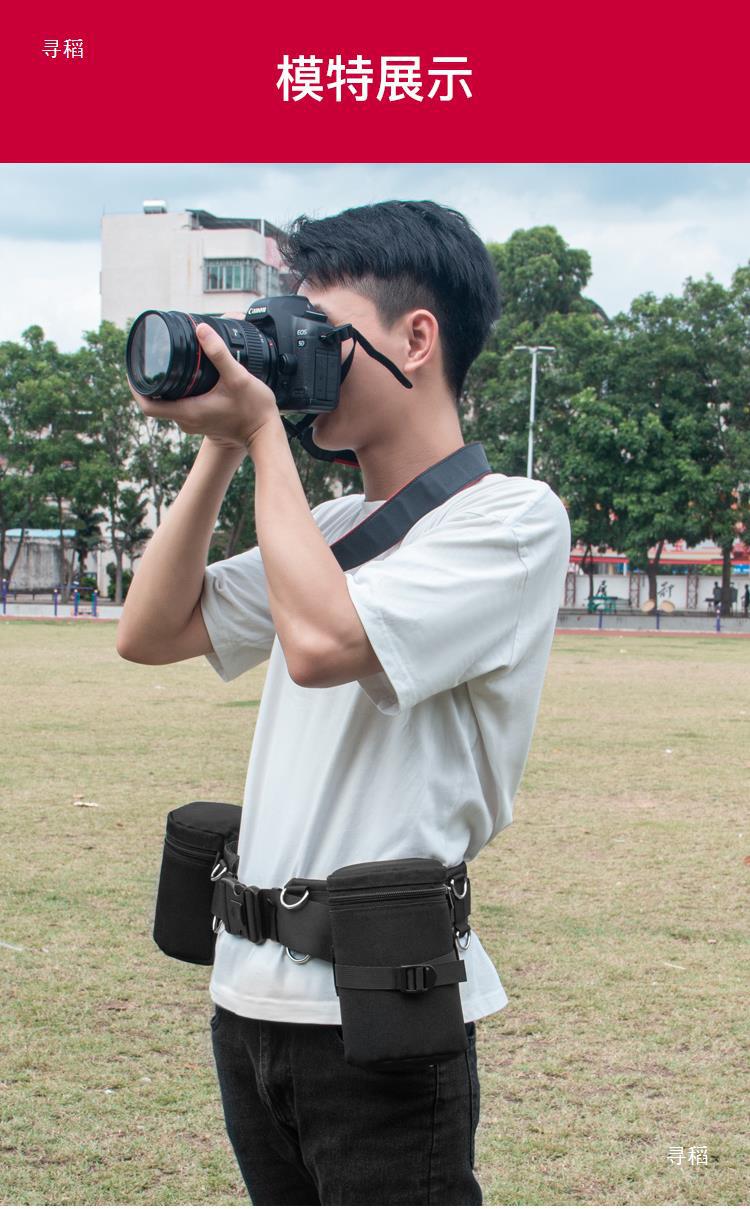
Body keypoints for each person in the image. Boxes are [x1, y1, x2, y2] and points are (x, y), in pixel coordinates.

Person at [117, 200, 571, 1205]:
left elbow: (324, 645)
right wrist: (224, 443)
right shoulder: (323, 523)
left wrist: (262, 432)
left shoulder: (510, 520)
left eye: (317, 332)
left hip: (381, 1008)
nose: (291, 355)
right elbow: (149, 630)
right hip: (250, 1000)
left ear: (417, 339)